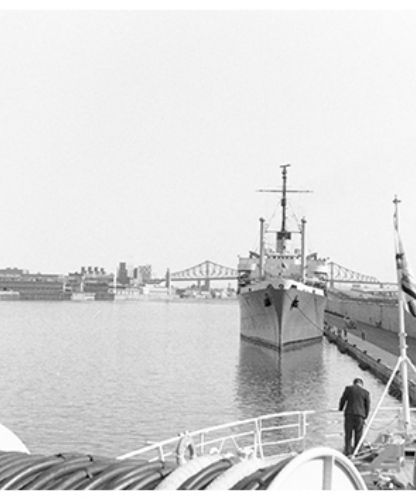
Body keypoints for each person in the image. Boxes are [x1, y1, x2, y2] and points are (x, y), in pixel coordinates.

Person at [338, 377, 370, 456]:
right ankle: (357, 452)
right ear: (361, 384)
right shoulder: (365, 392)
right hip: (360, 416)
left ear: (354, 383)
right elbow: (367, 406)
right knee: (358, 435)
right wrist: (365, 417)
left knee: (348, 435)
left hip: (349, 414)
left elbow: (343, 399)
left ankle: (347, 452)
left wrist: (340, 408)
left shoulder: (348, 389)